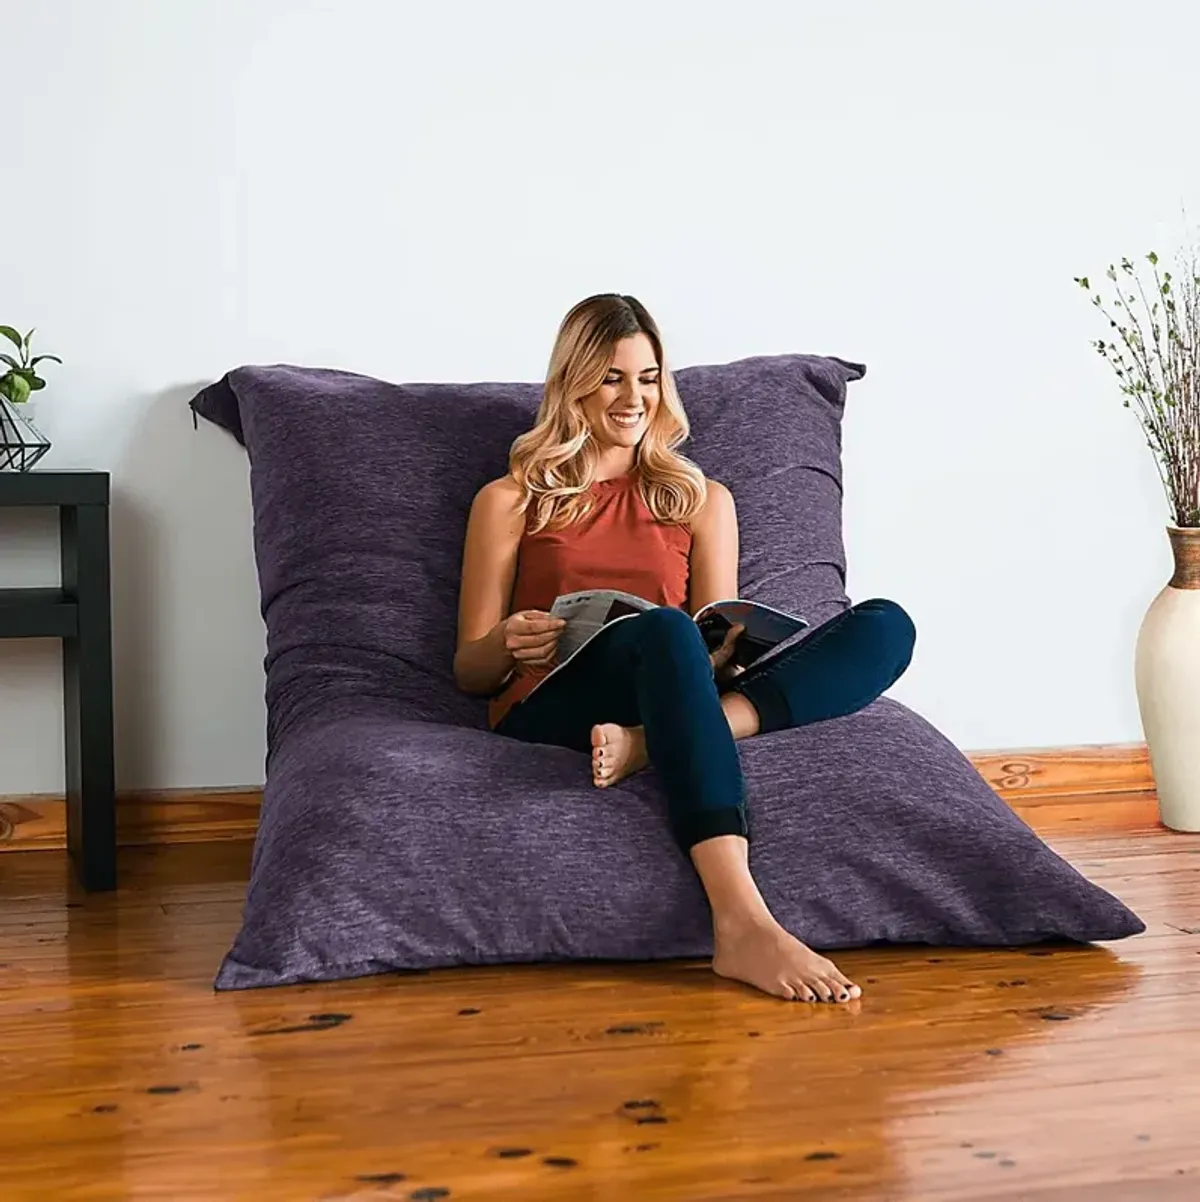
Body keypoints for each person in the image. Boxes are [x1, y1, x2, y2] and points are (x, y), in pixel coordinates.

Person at [453, 293, 916, 1004]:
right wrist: (509, 642)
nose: (633, 397)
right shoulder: (511, 499)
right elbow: (469, 669)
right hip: (551, 701)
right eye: (611, 378)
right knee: (665, 630)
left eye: (647, 378)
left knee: (886, 627)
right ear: (574, 383)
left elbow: (711, 624)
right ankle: (742, 920)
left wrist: (719, 658)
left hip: (667, 687)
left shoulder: (700, 499)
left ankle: (647, 744)